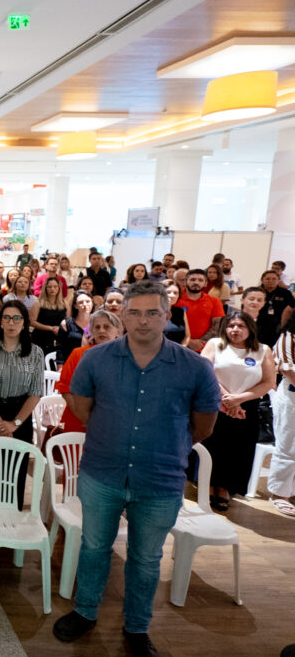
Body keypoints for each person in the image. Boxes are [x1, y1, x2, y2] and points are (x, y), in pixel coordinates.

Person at [53, 280, 219, 656]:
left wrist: (162, 445)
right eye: (134, 312)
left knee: (146, 559)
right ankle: (86, 611)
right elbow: (82, 408)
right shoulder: (94, 359)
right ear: (122, 315)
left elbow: (204, 426)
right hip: (102, 472)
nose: (143, 321)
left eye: (152, 313)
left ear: (167, 315)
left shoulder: (194, 367)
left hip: (160, 479)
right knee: (94, 547)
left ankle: (137, 626)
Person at [199, 313, 275, 512]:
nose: (235, 330)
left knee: (237, 450)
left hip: (246, 406)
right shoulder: (215, 344)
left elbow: (268, 382)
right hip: (214, 401)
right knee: (213, 445)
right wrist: (228, 399)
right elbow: (204, 371)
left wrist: (239, 400)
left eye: (240, 325)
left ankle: (224, 488)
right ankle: (207, 485)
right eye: (231, 325)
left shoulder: (262, 350)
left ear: (250, 328)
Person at [0, 299, 44, 506]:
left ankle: (8, 520)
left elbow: (36, 392)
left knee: (14, 470)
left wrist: (15, 423)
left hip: (20, 413)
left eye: (16, 318)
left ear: (24, 322)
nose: (11, 323)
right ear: (0, 322)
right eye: (7, 317)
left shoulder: (36, 353)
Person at [55, 310, 123, 434]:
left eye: (107, 327)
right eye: (97, 327)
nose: (102, 330)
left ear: (118, 331)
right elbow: (65, 390)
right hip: (78, 422)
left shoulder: (126, 358)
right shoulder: (78, 354)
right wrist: (86, 419)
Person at [269, 317, 295, 516]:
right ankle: (280, 494)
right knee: (288, 446)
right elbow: (287, 368)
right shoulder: (288, 337)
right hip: (291, 396)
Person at [176, 270, 225, 352]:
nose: (196, 282)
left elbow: (218, 325)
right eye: (192, 279)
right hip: (178, 346)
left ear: (206, 283)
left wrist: (199, 343)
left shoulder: (214, 301)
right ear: (186, 281)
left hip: (204, 348)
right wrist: (189, 341)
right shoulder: (176, 299)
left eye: (200, 280)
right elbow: (169, 324)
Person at [29, 274, 67, 356]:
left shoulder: (64, 304)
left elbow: (68, 320)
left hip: (58, 338)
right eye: (49, 287)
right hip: (40, 338)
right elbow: (32, 322)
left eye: (55, 286)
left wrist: (59, 329)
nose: (52, 289)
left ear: (59, 288)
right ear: (45, 288)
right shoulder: (38, 303)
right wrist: (50, 328)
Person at [257, 269, 295, 347]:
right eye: (267, 279)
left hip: (277, 325)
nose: (271, 281)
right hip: (258, 323)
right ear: (262, 280)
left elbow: (291, 309)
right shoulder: (256, 291)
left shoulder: (285, 293)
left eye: (274, 279)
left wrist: (284, 326)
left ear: (278, 281)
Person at [57, 290, 93, 366]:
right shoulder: (66, 324)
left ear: (92, 303)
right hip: (71, 364)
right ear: (75, 306)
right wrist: (60, 367)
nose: (85, 304)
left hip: (92, 363)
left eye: (88, 301)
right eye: (81, 302)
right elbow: (60, 349)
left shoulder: (98, 323)